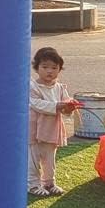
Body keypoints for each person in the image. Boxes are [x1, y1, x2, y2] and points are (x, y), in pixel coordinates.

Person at [28, 46, 78, 197]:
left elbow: (65, 106)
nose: (50, 71)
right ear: (36, 68)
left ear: (59, 69)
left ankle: (49, 183)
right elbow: (36, 104)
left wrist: (69, 106)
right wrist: (58, 106)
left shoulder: (60, 88)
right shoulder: (32, 86)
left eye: (54, 68)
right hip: (35, 130)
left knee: (50, 159)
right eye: (45, 67)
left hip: (52, 130)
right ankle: (33, 184)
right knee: (33, 159)